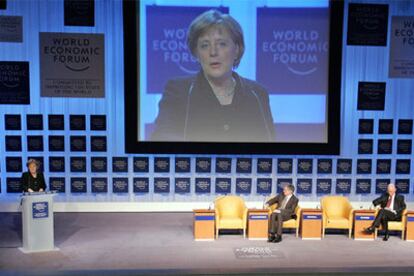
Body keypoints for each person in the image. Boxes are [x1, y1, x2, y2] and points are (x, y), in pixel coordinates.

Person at [151, 10, 275, 142]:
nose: (213, 52)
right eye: (205, 45)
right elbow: (162, 141)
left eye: (221, 44)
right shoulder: (179, 91)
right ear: (196, 53)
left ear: (237, 50)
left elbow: (269, 146)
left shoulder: (257, 94)